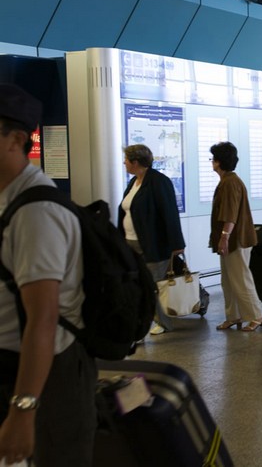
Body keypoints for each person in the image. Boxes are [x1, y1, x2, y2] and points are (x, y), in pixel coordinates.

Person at [0, 84, 96, 466]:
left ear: (16, 139)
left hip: (49, 376)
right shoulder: (9, 197)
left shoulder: (36, 212)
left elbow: (43, 318)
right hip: (19, 368)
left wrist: (24, 411)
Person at [118, 144, 186, 335]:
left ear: (136, 162)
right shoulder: (134, 182)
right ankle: (154, 321)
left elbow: (169, 213)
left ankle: (158, 323)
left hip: (153, 245)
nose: (124, 163)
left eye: (126, 159)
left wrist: (177, 244)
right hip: (131, 242)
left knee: (151, 286)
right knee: (140, 286)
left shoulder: (159, 182)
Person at [209, 142, 262, 332]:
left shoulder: (230, 183)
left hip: (236, 240)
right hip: (231, 239)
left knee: (241, 278)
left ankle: (255, 315)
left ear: (219, 162)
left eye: (213, 159)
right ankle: (233, 316)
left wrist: (224, 237)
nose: (212, 162)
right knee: (228, 280)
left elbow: (230, 214)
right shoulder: (227, 181)